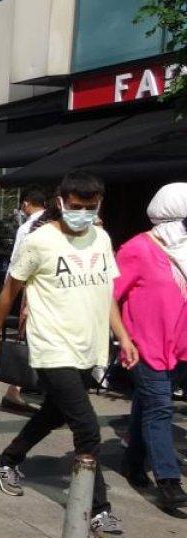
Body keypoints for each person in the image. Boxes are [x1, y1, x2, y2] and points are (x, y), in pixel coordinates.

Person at [0, 171, 139, 538]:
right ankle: (97, 510)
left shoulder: (101, 237)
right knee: (87, 428)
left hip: (88, 347)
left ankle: (6, 461)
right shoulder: (40, 241)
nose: (83, 213)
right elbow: (9, 292)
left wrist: (124, 337)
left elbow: (107, 293)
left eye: (90, 207)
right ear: (61, 201)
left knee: (54, 412)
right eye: (76, 206)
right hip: (51, 347)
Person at [115, 184, 187, 510]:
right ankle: (169, 481)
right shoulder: (136, 249)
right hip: (146, 346)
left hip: (180, 346)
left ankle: (132, 462)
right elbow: (109, 297)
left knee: (147, 403)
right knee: (160, 408)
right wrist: (124, 338)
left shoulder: (183, 250)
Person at [0, 188, 47, 413]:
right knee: (32, 336)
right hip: (37, 288)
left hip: (30, 286)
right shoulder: (39, 227)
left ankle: (18, 386)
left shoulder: (28, 227)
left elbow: (15, 260)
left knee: (29, 334)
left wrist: (8, 290)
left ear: (27, 204)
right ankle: (18, 386)